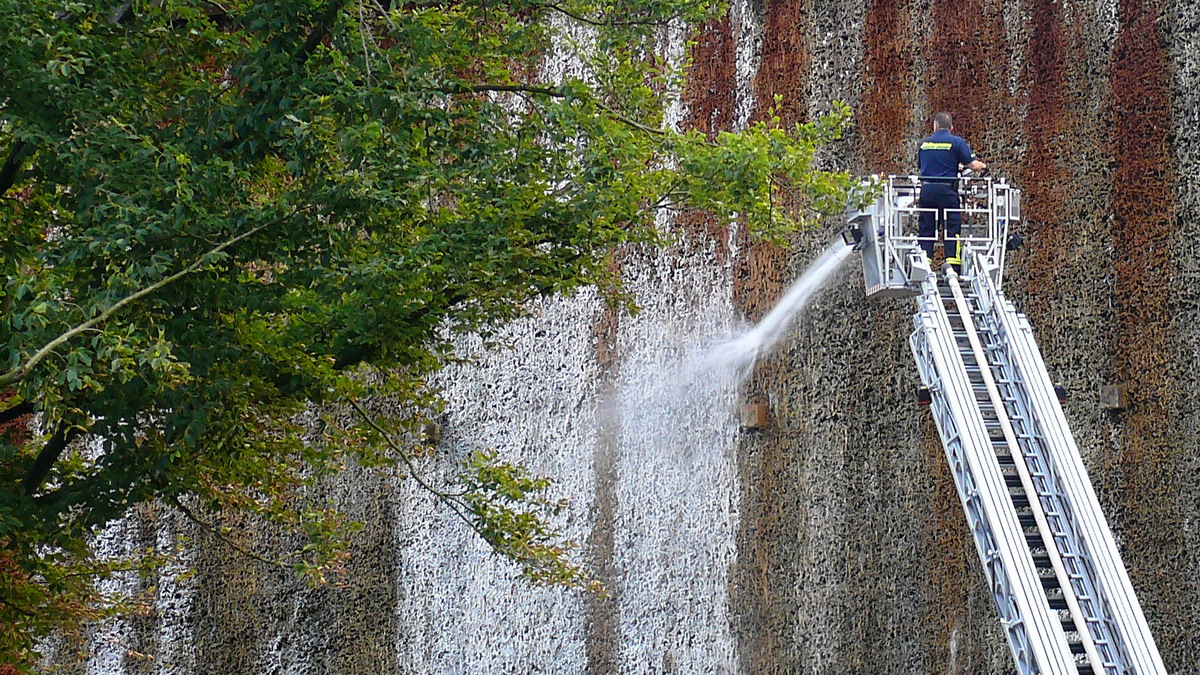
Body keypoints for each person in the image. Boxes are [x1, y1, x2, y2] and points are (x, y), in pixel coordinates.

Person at [918, 112, 986, 270]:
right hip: (948, 192)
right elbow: (973, 165)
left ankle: (924, 261)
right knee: (951, 226)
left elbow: (922, 166)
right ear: (951, 127)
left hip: (927, 190)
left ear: (935, 126)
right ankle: (952, 263)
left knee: (927, 227)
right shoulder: (956, 142)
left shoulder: (924, 143)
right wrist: (983, 166)